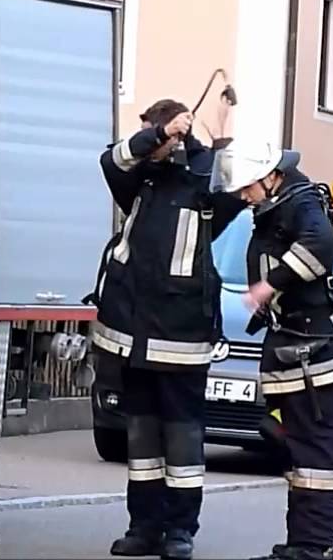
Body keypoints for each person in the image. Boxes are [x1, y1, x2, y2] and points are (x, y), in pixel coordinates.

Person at [87, 97, 244, 560]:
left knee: (181, 439)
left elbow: (234, 183)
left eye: (154, 135)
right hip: (134, 336)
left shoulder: (203, 181)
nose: (145, 147)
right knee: (141, 439)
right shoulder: (139, 179)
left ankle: (180, 530)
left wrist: (195, 138)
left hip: (182, 337)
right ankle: (144, 527)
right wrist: (156, 137)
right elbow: (111, 159)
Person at [212, 142, 333, 560]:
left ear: (269, 175)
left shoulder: (301, 201)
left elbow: (319, 246)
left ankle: (313, 547)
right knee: (291, 446)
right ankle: (301, 543)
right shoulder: (275, 206)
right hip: (291, 354)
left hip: (316, 360)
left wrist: (268, 284)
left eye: (247, 187)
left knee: (314, 459)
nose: (243, 196)